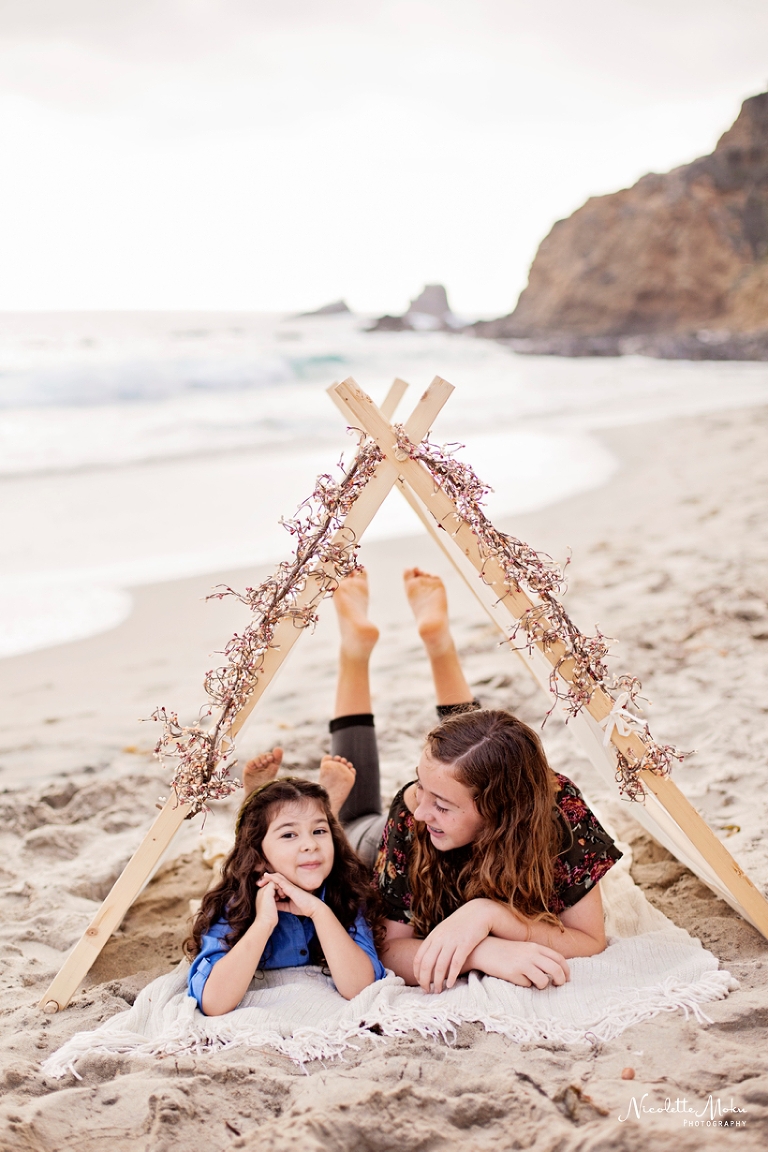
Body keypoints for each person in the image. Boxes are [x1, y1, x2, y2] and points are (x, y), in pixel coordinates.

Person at [244, 567, 622, 997]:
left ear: (502, 813)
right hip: (374, 843)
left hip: (477, 810)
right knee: (354, 821)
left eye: (442, 805)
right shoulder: (412, 814)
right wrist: (480, 952)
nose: (422, 811)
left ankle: (421, 645)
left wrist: (490, 916)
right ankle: (363, 652)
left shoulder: (557, 808)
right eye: (421, 786)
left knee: (479, 756)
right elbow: (388, 949)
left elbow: (589, 939)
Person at [185, 777, 387, 1016]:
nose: (310, 844)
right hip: (245, 890)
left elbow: (361, 988)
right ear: (258, 857)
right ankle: (252, 793)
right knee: (218, 879)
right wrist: (263, 923)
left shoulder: (346, 894)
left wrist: (319, 912)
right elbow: (213, 1002)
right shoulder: (232, 904)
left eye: (319, 831)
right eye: (289, 835)